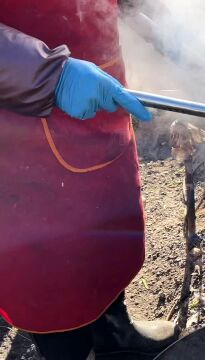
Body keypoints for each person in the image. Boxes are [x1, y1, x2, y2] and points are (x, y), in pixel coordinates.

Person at [0, 1, 179, 359]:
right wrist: (49, 75)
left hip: (97, 87)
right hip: (23, 124)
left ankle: (114, 333)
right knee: (49, 269)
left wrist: (139, 11)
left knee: (105, 231)